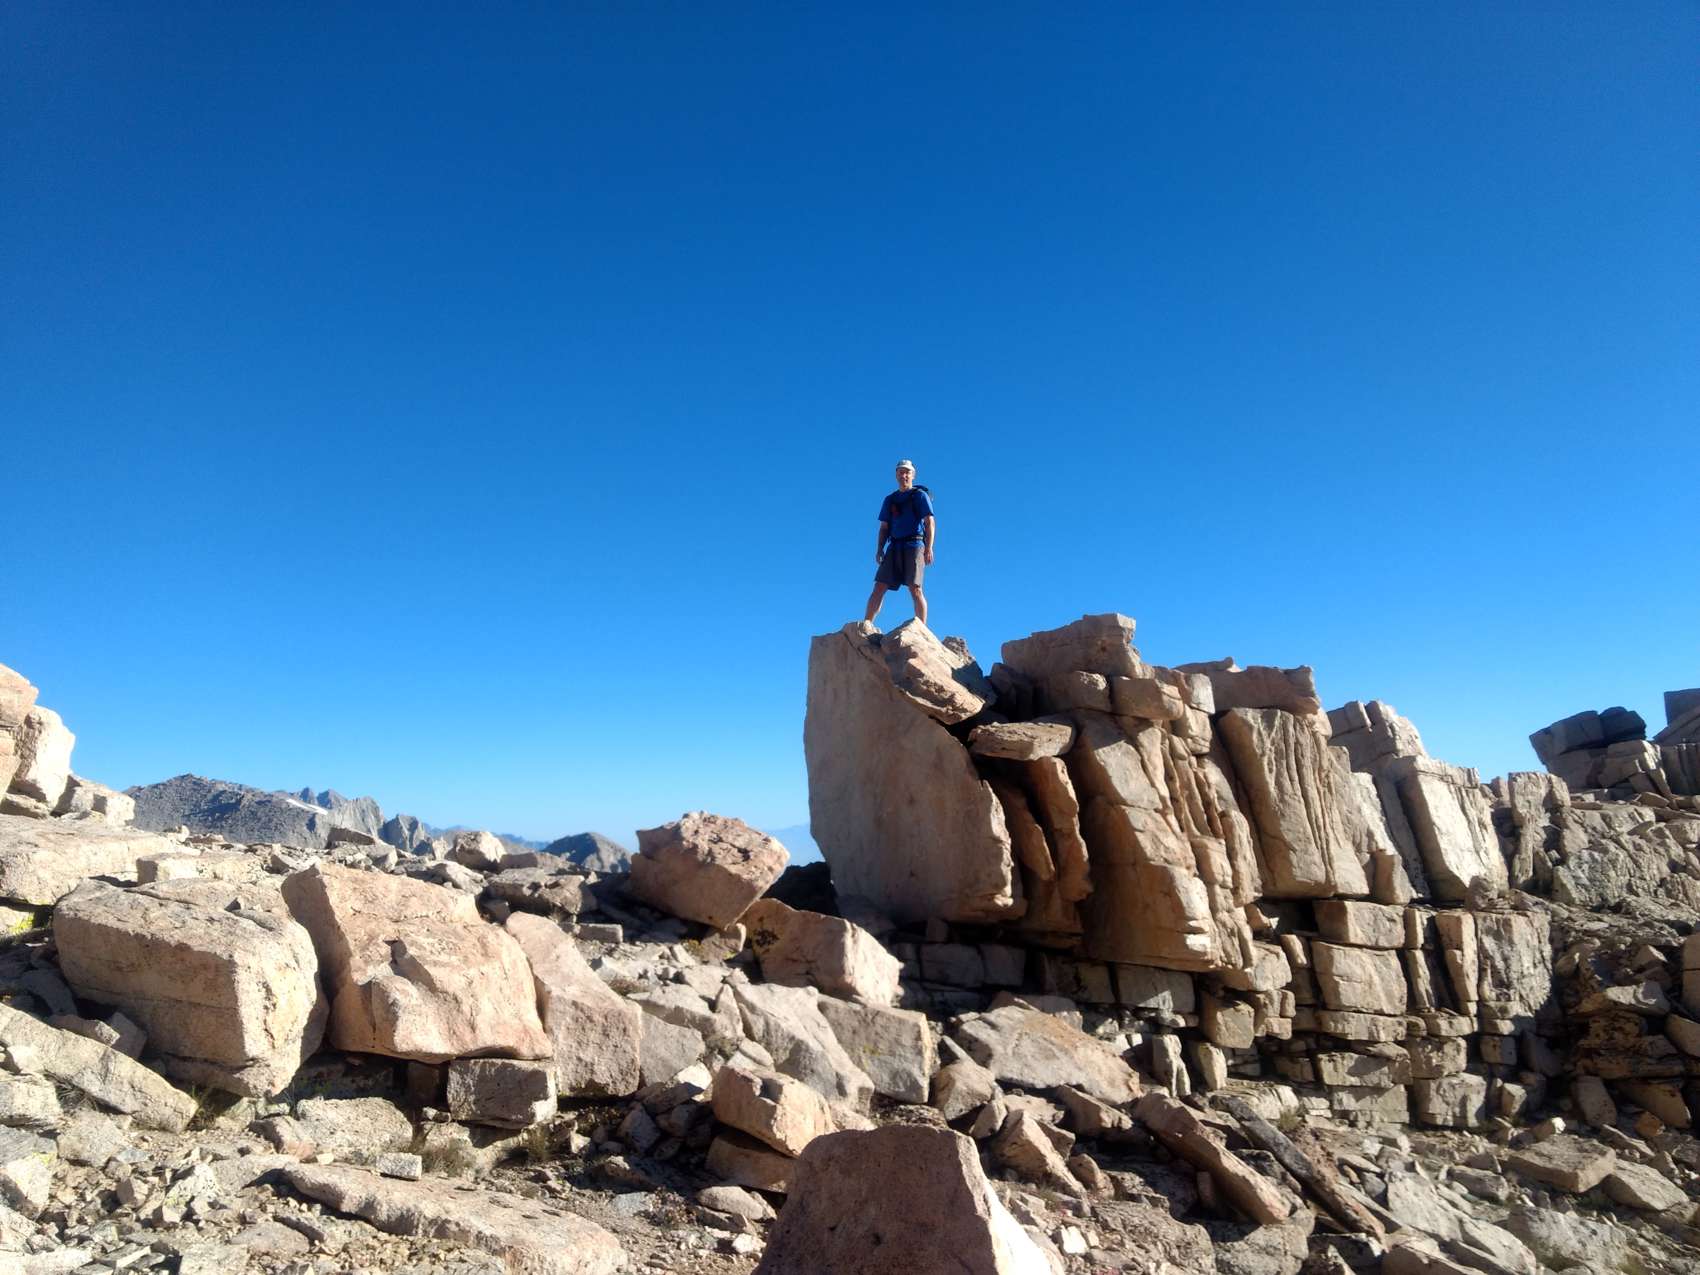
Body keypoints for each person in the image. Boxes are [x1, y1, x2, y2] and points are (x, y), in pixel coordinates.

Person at [863, 459, 935, 625]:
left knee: (915, 588)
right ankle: (866, 625)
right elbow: (884, 527)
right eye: (901, 472)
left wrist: (929, 548)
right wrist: (879, 549)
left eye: (907, 472)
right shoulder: (890, 500)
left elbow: (929, 522)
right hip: (894, 546)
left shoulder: (919, 496)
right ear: (896, 475)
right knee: (879, 586)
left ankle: (921, 629)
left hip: (915, 544)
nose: (904, 475)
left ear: (913, 475)